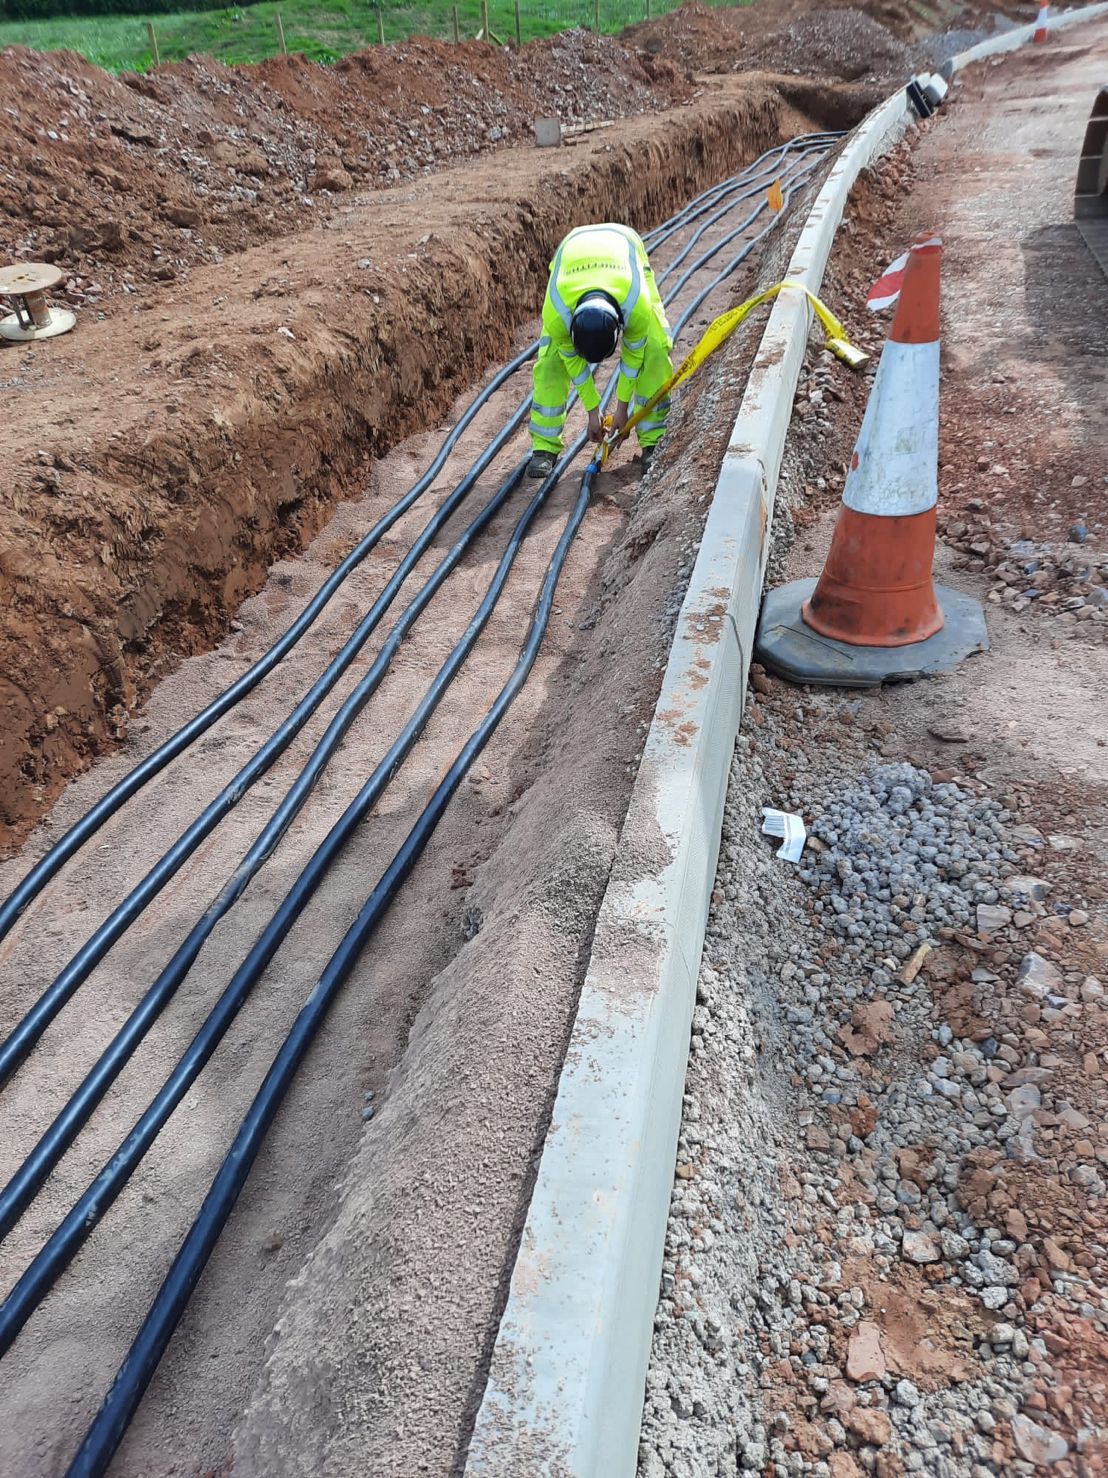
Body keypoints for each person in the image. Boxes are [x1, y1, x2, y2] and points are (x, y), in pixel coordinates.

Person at [528, 222, 673, 479]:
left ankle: (654, 440)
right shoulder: (557, 310)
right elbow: (572, 362)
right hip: (572, 248)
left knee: (654, 349)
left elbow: (633, 356)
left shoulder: (635, 302)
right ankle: (544, 447)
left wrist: (622, 409)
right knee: (550, 360)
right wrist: (593, 411)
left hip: (624, 243)